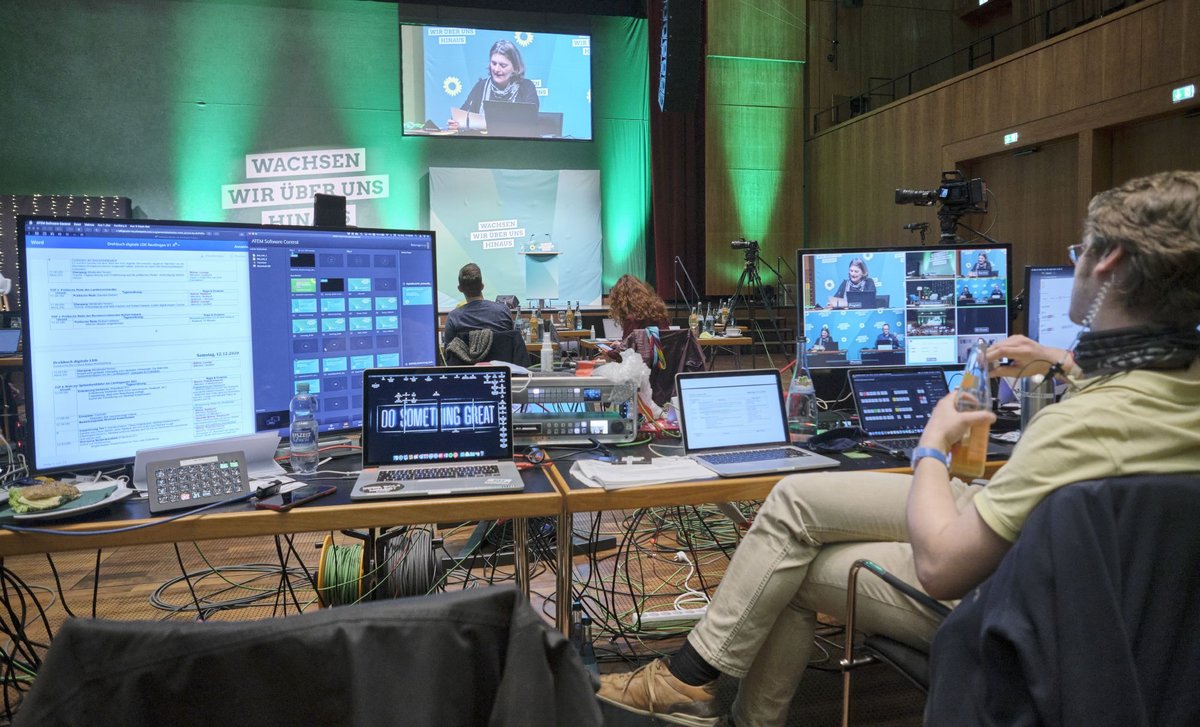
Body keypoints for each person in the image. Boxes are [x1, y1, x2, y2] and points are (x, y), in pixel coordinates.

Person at [598, 170, 1200, 727]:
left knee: (788, 563)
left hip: (1005, 593)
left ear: (1110, 264)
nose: (1077, 266)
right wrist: (1065, 361)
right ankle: (698, 688)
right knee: (795, 503)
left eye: (1081, 254)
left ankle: (691, 683)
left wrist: (934, 446)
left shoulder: (1082, 428)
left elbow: (941, 567)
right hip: (1122, 612)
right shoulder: (1156, 398)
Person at [459, 39, 539, 115]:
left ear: (515, 67)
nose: (496, 69)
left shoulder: (527, 87)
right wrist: (456, 122)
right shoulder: (481, 87)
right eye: (494, 63)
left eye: (502, 65)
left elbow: (530, 120)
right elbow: (463, 115)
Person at [442, 263, 515, 346]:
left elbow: (449, 353)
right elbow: (513, 344)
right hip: (501, 359)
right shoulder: (503, 311)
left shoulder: (454, 318)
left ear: (460, 289)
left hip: (466, 359)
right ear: (482, 286)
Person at [607, 274, 670, 339]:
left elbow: (627, 347)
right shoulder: (658, 312)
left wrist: (618, 347)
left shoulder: (632, 319)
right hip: (661, 349)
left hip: (641, 349)